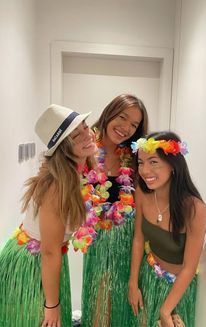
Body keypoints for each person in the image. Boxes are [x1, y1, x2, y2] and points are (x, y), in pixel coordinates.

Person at [0, 104, 98, 327]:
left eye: (85, 127)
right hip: (33, 264)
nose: (87, 135)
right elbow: (50, 251)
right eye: (75, 135)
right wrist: (52, 306)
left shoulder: (80, 171)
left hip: (49, 260)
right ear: (63, 148)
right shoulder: (56, 185)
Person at [80, 94, 149, 327]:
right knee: (98, 305)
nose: (126, 128)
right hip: (97, 243)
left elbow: (140, 207)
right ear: (110, 112)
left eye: (134, 124)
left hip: (127, 243)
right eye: (123, 117)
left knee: (123, 309)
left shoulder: (135, 156)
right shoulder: (85, 148)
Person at [128, 131, 206, 327]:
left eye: (153, 162)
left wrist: (166, 311)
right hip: (148, 279)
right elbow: (138, 238)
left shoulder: (194, 208)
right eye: (141, 163)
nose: (145, 170)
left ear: (173, 165)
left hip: (178, 291)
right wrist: (133, 282)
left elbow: (189, 267)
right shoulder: (142, 192)